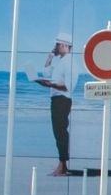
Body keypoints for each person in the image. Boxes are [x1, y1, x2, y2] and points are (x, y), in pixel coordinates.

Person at [32, 34, 77, 176]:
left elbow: (68, 87)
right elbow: (46, 72)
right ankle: (62, 164)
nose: (55, 47)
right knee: (58, 133)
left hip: (62, 100)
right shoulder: (61, 62)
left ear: (64, 45)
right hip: (57, 100)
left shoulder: (69, 63)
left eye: (57, 45)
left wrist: (49, 84)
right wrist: (50, 56)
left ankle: (62, 166)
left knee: (60, 133)